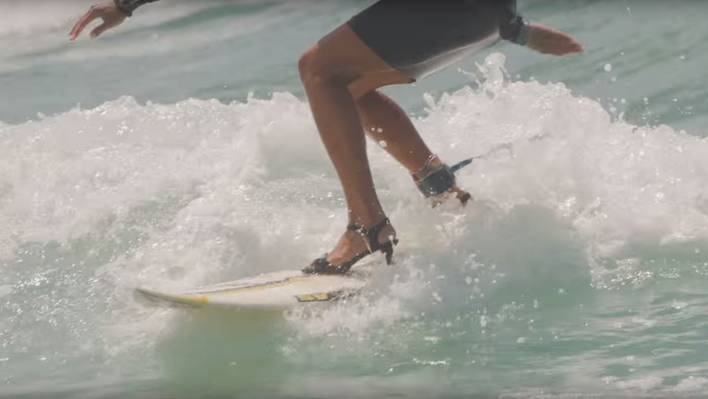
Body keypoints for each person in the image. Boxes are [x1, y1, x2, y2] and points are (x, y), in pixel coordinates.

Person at [70, 0, 583, 275]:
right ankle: (442, 189)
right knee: (348, 88)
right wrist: (511, 26)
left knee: (319, 70)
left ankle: (366, 225)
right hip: (482, 11)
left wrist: (126, 3)